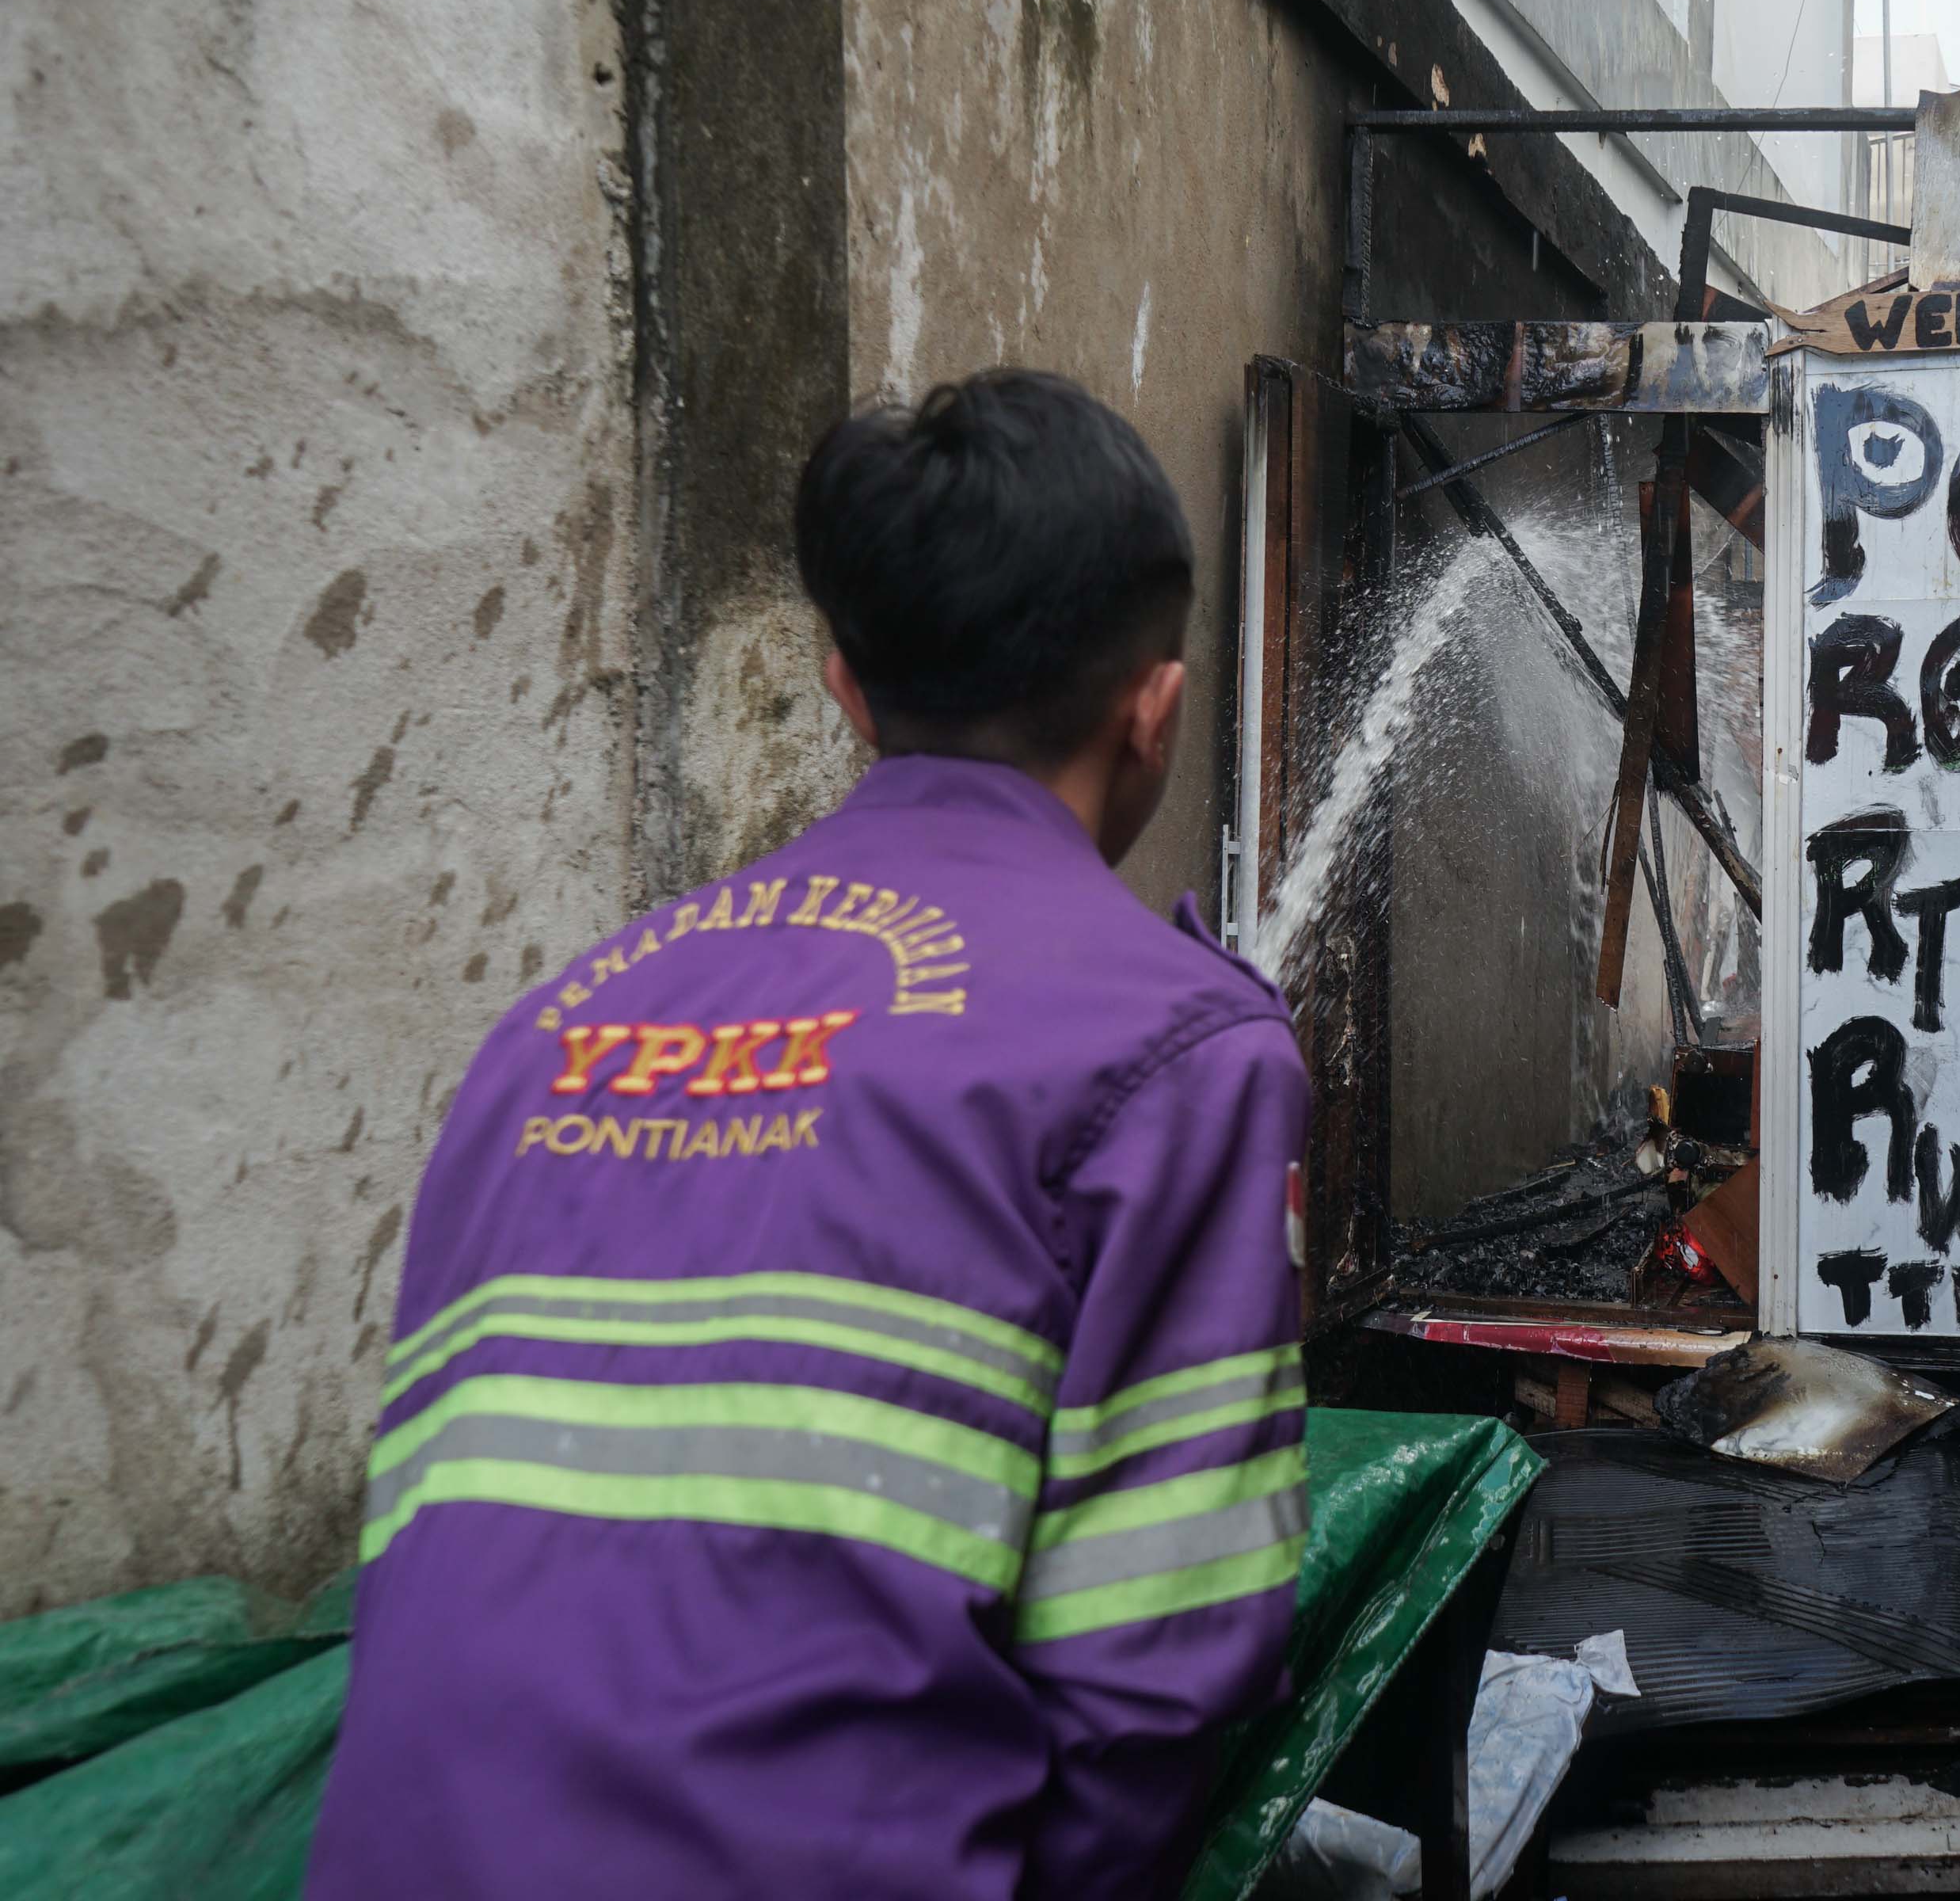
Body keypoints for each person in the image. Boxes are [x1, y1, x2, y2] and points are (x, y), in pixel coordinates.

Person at [309, 371, 1311, 1900]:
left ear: (845, 688)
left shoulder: (554, 1029)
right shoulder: (1182, 1053)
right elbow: (1152, 1685)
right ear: (1155, 712)